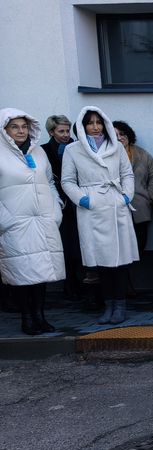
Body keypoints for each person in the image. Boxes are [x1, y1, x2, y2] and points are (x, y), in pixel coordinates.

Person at [61, 106, 137, 324]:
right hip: (92, 207)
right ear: (82, 126)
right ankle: (108, 305)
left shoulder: (116, 146)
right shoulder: (73, 150)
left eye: (98, 122)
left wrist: (126, 197)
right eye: (90, 123)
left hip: (115, 204)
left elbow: (127, 174)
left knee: (120, 260)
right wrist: (84, 200)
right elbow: (67, 181)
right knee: (100, 261)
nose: (95, 127)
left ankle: (120, 305)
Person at [0, 108, 65, 335]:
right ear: (4, 130)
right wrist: (5, 220)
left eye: (24, 126)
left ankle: (40, 316)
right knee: (22, 273)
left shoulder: (38, 152)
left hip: (43, 221)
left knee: (42, 272)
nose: (21, 131)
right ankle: (26, 318)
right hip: (15, 224)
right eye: (14, 127)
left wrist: (55, 210)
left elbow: (50, 182)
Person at [113, 120, 153, 296]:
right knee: (120, 249)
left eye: (122, 134)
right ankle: (124, 284)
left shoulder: (141, 154)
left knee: (139, 245)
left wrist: (150, 196)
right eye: (115, 135)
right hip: (116, 209)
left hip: (140, 208)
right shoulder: (106, 155)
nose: (120, 138)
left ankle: (129, 280)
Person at [41, 114, 82, 301]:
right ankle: (69, 282)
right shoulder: (43, 151)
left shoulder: (77, 147)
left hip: (78, 200)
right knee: (65, 244)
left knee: (79, 244)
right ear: (51, 132)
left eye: (67, 130)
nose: (66, 135)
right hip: (58, 203)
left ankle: (82, 282)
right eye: (61, 131)